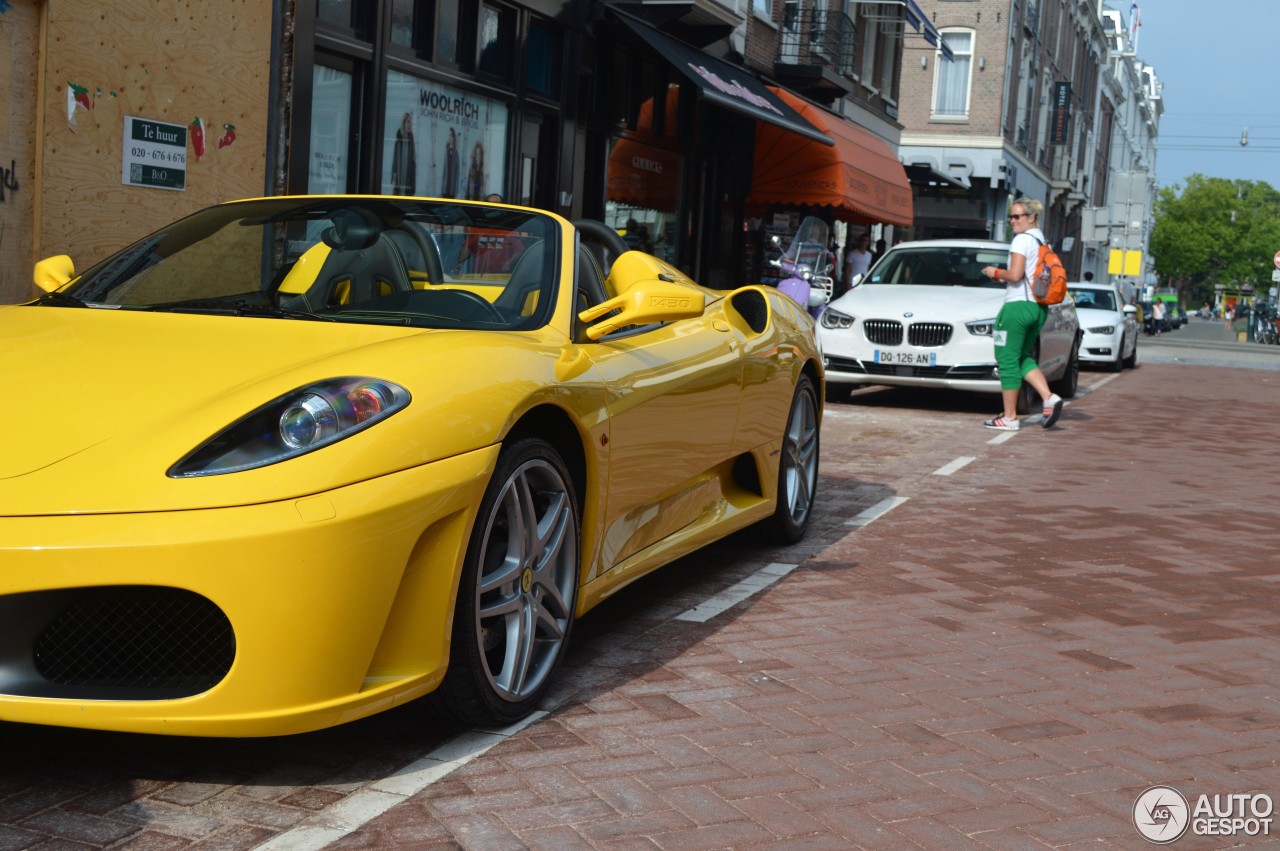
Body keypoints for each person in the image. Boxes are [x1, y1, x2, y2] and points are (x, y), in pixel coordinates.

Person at [978, 197, 1063, 431]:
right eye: (1011, 217)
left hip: (1017, 307)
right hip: (1038, 307)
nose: (1012, 221)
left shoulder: (1021, 240)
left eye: (1017, 216)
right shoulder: (1041, 241)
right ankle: (1049, 397)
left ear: (1031, 217)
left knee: (1006, 360)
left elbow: (1015, 275)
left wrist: (994, 272)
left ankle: (1010, 417)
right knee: (1022, 357)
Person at [390, 113, 415, 195]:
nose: (409, 124)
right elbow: (395, 160)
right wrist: (393, 178)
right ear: (403, 123)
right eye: (407, 122)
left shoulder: (411, 141)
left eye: (410, 122)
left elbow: (413, 163)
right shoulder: (399, 142)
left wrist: (413, 184)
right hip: (399, 176)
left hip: (407, 178)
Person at [440, 128, 460, 198]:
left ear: (454, 138)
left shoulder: (456, 154)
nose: (450, 137)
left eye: (451, 135)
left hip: (452, 190)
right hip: (445, 189)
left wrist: (456, 191)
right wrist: (442, 187)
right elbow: (444, 171)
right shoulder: (446, 152)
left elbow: (457, 173)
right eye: (449, 135)